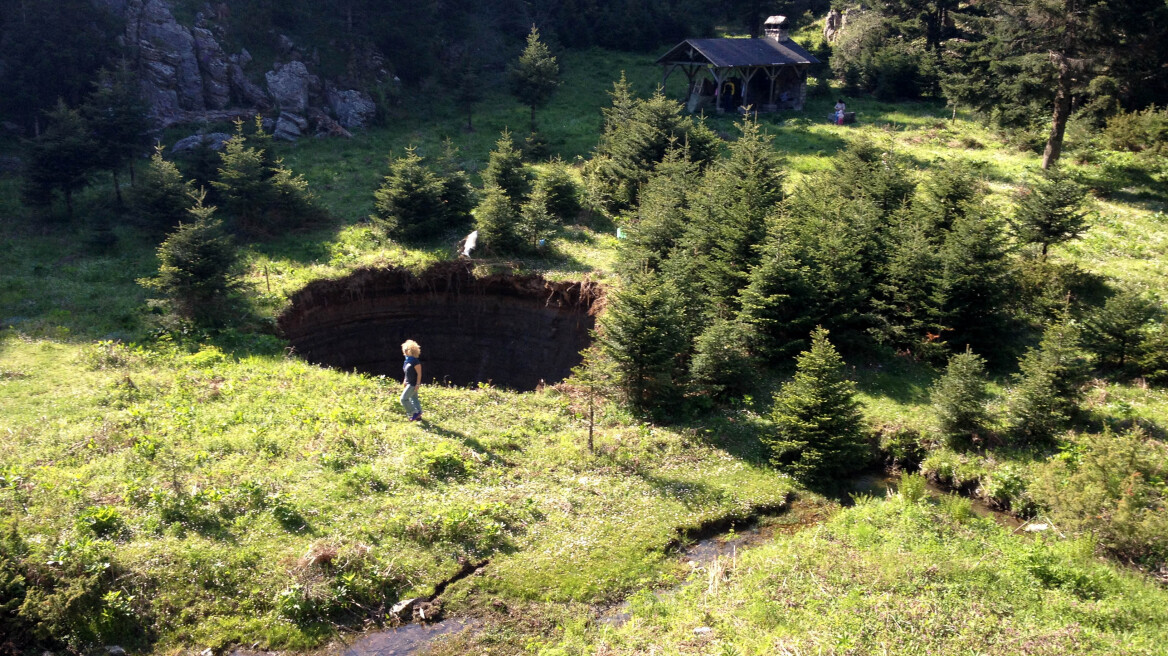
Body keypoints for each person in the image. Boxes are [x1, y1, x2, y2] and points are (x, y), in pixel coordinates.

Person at [400, 339, 423, 421]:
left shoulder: (415, 361)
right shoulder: (406, 361)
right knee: (414, 399)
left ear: (411, 350)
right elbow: (406, 372)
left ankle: (414, 413)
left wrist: (417, 384)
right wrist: (404, 380)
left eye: (406, 350)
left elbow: (419, 374)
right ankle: (419, 416)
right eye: (404, 349)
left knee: (403, 399)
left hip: (413, 384)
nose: (404, 351)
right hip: (409, 382)